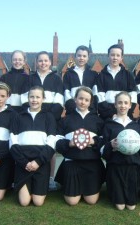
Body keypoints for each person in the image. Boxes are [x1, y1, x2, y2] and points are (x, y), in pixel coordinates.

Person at [55, 86, 105, 206]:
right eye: (80, 98)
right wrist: (69, 143)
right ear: (75, 99)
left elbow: (104, 142)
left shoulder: (98, 121)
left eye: (86, 100)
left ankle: (87, 187)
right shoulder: (65, 120)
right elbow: (57, 143)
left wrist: (94, 142)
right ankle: (70, 186)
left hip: (92, 163)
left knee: (91, 201)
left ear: (90, 102)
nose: (83, 102)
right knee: (72, 202)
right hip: (72, 163)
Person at [21, 51, 64, 191]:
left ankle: (50, 178)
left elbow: (59, 102)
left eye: (46, 60)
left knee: (49, 148)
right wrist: (35, 115)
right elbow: (24, 99)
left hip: (50, 120)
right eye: (40, 61)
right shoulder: (30, 78)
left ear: (50, 62)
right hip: (32, 118)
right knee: (29, 145)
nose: (43, 63)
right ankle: (26, 176)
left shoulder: (57, 79)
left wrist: (47, 118)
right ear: (36, 62)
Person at [10, 86, 57, 206]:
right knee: (24, 202)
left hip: (40, 164)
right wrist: (24, 163)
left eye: (37, 97)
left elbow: (51, 143)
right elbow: (13, 142)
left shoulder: (49, 117)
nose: (34, 100)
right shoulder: (18, 116)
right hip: (23, 165)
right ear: (28, 98)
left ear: (43, 99)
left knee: (38, 202)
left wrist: (38, 162)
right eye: (32, 97)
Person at [101, 91, 140, 210]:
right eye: (119, 102)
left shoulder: (136, 125)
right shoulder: (109, 125)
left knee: (131, 206)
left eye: (125, 103)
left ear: (130, 105)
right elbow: (103, 152)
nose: (122, 105)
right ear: (115, 105)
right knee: (120, 206)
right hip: (115, 166)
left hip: (132, 167)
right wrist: (111, 145)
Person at [95, 44, 137, 120]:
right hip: (106, 117)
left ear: (121, 58)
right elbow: (100, 97)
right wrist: (111, 114)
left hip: (125, 116)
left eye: (118, 55)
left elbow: (133, 97)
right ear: (108, 56)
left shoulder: (128, 75)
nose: (115, 58)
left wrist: (123, 114)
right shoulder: (101, 76)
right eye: (112, 55)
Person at [63, 45, 99, 115]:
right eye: (79, 55)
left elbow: (95, 93)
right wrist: (72, 107)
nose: (81, 58)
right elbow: (66, 92)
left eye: (84, 56)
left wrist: (91, 108)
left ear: (88, 58)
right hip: (72, 112)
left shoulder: (93, 74)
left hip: (89, 112)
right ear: (75, 57)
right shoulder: (68, 74)